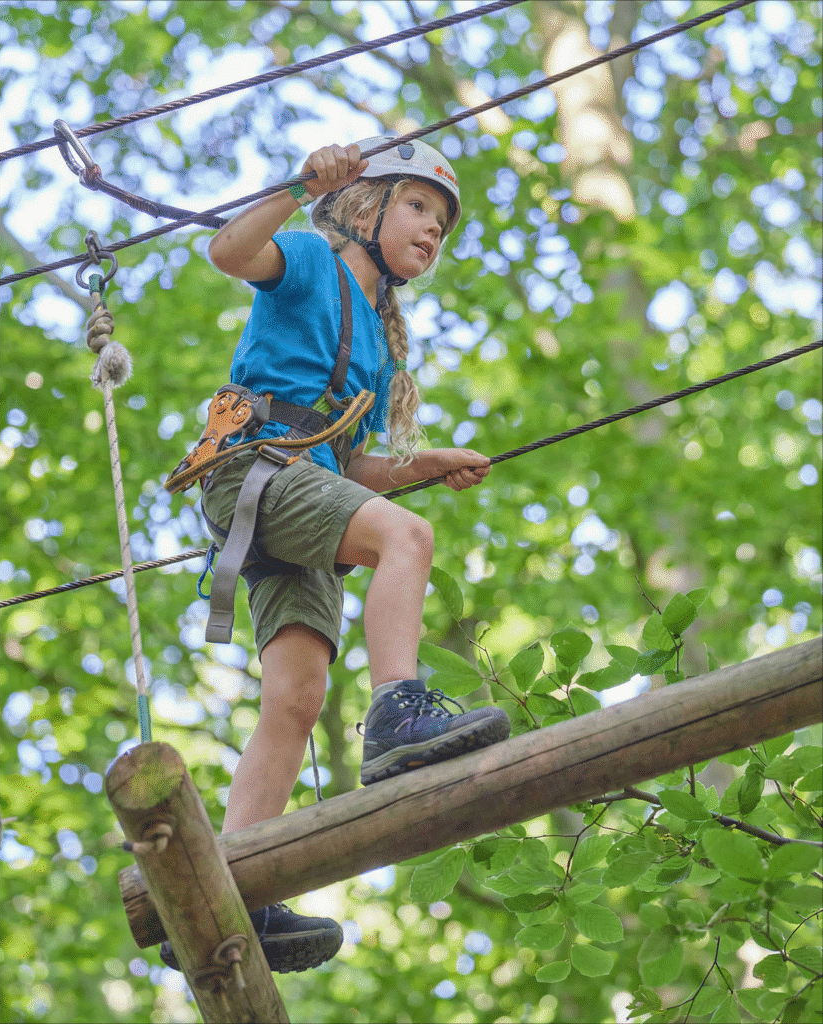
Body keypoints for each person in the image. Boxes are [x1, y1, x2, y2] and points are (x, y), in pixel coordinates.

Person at [161, 138, 510, 975]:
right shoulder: (312, 260)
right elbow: (229, 251)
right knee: (406, 537)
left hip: (300, 484)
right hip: (255, 468)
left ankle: (234, 882)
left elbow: (344, 466)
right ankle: (397, 710)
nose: (433, 231)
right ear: (366, 206)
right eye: (420, 207)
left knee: (296, 696)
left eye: (443, 224)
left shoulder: (379, 348)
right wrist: (297, 186)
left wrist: (409, 469)